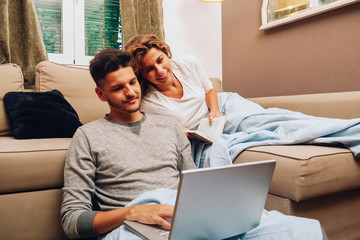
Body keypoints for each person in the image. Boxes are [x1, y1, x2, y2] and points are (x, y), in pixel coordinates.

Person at [61, 48, 326, 240]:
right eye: (118, 88)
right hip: (133, 226)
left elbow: (194, 184)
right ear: (101, 93)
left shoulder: (168, 127)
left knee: (304, 231)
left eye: (132, 82)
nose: (131, 92)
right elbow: (72, 221)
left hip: (187, 219)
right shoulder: (87, 136)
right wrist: (132, 213)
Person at [125, 34, 360, 168]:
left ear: (166, 54)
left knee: (274, 119)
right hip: (201, 133)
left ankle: (354, 132)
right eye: (148, 69)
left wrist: (215, 111)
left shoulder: (187, 63)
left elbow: (209, 90)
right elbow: (158, 128)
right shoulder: (146, 101)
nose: (159, 70)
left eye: (160, 60)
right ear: (142, 74)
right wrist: (183, 130)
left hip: (224, 107)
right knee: (267, 135)